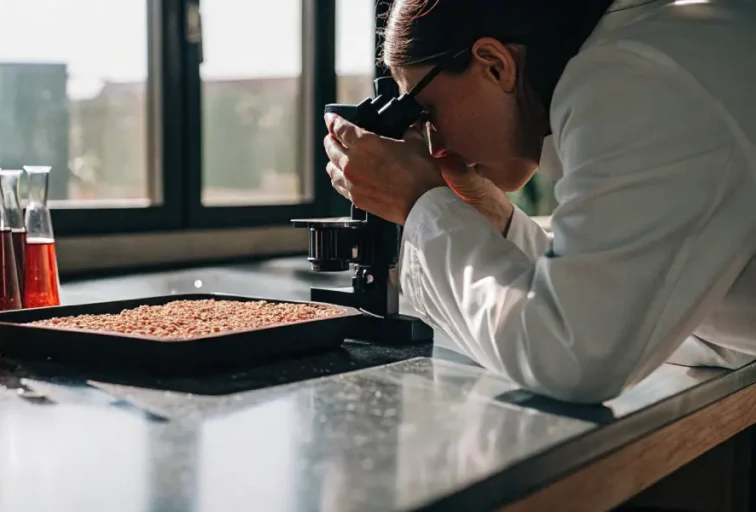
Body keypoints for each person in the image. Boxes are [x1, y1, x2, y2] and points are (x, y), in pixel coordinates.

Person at [323, 0, 756, 403]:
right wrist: (491, 217)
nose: (434, 145)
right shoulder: (655, 49)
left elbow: (572, 356)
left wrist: (420, 202)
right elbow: (644, 308)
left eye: (426, 112)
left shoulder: (634, 78)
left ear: (495, 65)